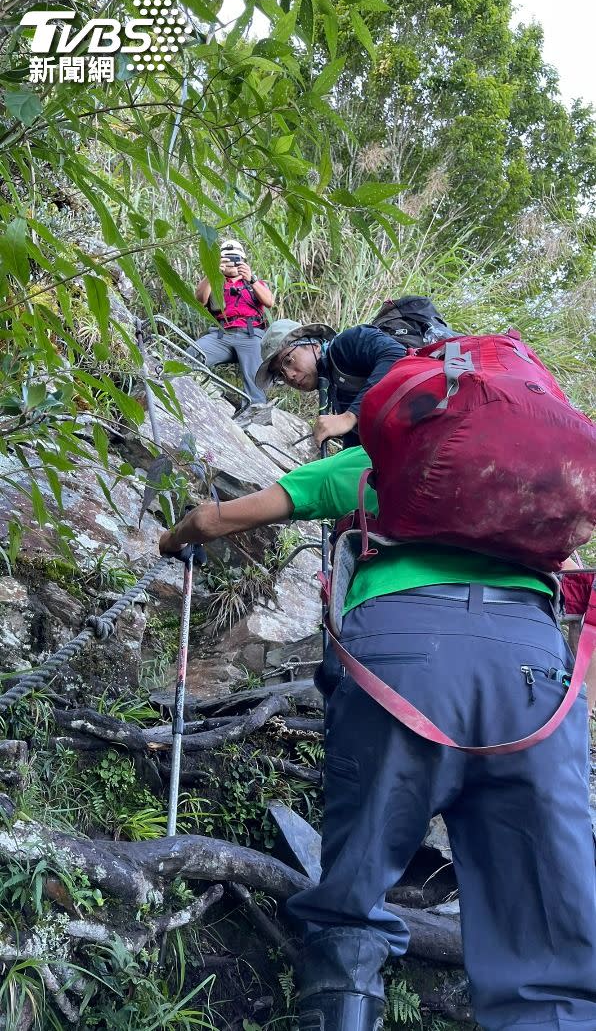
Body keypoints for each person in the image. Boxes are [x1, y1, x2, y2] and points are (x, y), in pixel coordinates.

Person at [159, 445, 596, 1031]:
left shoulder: (392, 456)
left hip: (401, 654)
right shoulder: (541, 471)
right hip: (534, 666)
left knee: (354, 895)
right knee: (549, 932)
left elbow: (230, 515)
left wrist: (178, 536)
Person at [254, 318, 407, 448]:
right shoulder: (333, 385)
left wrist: (350, 417)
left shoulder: (348, 343)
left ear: (313, 346)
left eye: (288, 360)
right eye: (280, 374)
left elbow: (398, 356)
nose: (289, 375)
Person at [190, 238, 274, 411]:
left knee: (255, 374)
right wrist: (212, 273)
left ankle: (255, 410)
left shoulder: (253, 282)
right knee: (191, 355)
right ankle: (187, 390)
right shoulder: (214, 282)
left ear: (243, 261)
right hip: (221, 335)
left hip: (251, 334)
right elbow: (200, 299)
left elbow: (269, 301)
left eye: (236, 259)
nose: (232, 263)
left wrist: (251, 279)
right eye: (227, 259)